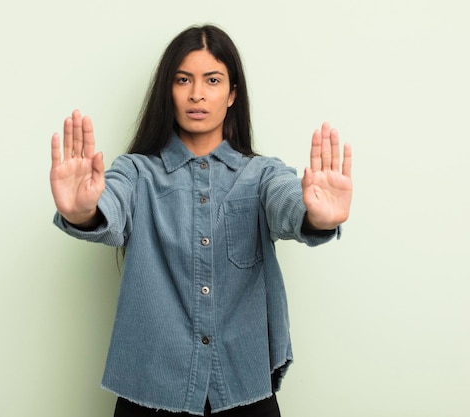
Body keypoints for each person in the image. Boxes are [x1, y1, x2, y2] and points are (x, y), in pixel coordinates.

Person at [50, 24, 352, 417]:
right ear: (168, 92)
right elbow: (111, 204)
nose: (196, 93)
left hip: (245, 389)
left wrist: (316, 217)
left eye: (212, 80)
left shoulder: (261, 175)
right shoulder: (137, 172)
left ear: (232, 95)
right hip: (150, 391)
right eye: (183, 80)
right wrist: (82, 211)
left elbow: (286, 200)